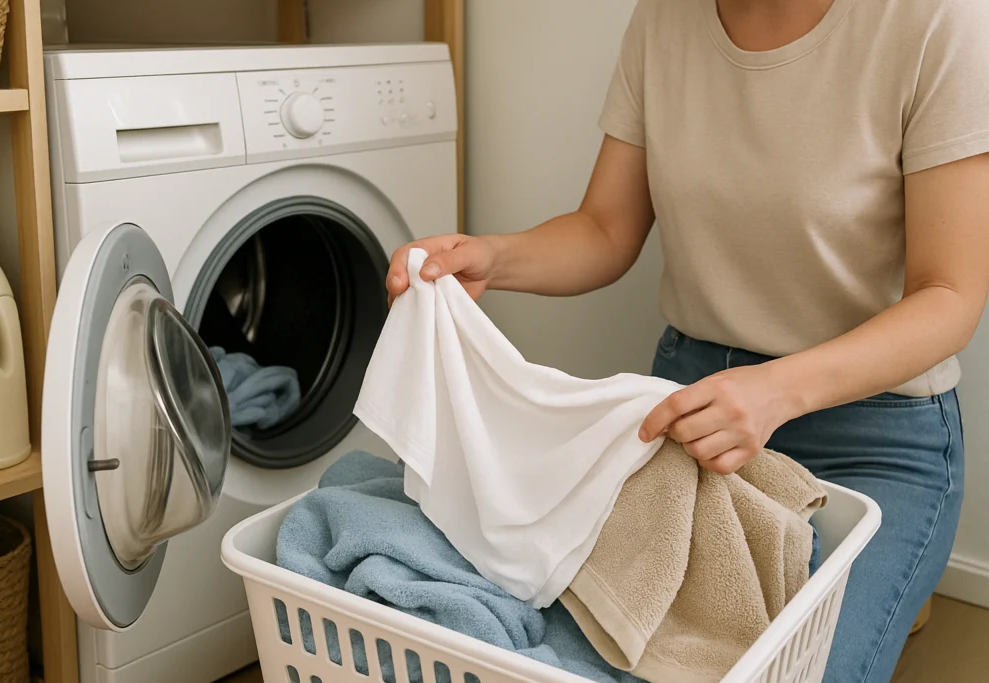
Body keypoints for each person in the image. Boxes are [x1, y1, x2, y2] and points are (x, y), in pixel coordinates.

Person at [386, 0, 989, 680]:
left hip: (873, 434)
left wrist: (776, 391)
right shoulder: (663, 18)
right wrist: (493, 258)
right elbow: (606, 229)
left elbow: (949, 296)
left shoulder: (938, 20)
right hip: (691, 417)